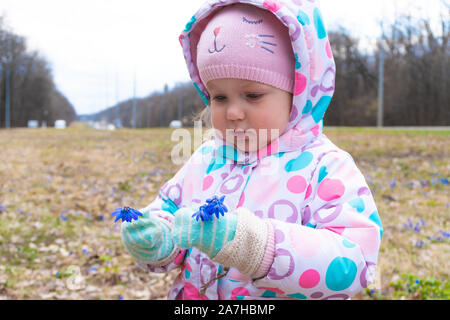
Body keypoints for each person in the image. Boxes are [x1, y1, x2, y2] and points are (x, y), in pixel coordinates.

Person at [120, 0, 382, 300]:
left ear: (298, 92)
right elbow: (171, 211)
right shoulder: (206, 159)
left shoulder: (326, 167)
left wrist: (254, 247)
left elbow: (354, 263)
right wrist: (160, 239)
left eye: (252, 95)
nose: (233, 112)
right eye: (219, 97)